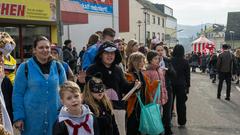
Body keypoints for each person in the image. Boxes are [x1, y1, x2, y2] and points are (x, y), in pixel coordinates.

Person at [13, 36, 67, 135]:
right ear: (34, 50)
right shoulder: (24, 67)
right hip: (31, 121)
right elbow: (17, 94)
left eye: (47, 47)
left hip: (54, 118)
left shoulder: (59, 67)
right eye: (41, 47)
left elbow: (66, 91)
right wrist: (19, 117)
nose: (45, 50)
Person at [87, 41, 140, 134]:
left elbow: (124, 86)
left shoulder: (118, 69)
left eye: (112, 53)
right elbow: (87, 90)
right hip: (98, 110)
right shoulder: (92, 69)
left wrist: (134, 85)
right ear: (100, 55)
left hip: (117, 109)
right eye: (106, 53)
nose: (110, 56)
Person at [125, 52, 147, 135]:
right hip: (132, 106)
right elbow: (127, 92)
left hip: (141, 105)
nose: (143, 63)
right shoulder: (129, 75)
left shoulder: (141, 73)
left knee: (139, 129)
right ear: (135, 62)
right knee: (132, 128)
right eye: (141, 61)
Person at [171, 44, 190, 128]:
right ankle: (182, 122)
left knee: (170, 104)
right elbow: (187, 76)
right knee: (181, 104)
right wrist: (188, 86)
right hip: (182, 85)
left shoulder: (170, 60)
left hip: (171, 84)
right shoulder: (185, 61)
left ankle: (168, 121)